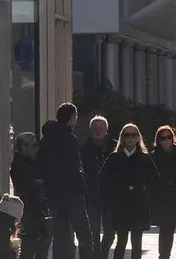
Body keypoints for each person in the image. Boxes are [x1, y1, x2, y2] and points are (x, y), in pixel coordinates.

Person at [38, 102, 94, 259]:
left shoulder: (46, 139)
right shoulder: (70, 139)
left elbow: (42, 165)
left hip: (53, 193)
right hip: (72, 194)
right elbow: (74, 168)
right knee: (84, 235)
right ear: (72, 118)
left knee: (61, 234)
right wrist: (83, 188)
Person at [99, 123, 158, 259]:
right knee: (121, 241)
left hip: (138, 204)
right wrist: (112, 196)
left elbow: (154, 179)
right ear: (122, 138)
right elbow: (102, 178)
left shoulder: (144, 157)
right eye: (127, 135)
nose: (130, 138)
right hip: (121, 204)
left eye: (133, 135)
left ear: (138, 138)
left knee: (137, 242)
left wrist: (145, 193)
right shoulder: (114, 157)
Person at [10, 132, 52, 259]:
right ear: (24, 147)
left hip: (38, 208)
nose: (37, 148)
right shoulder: (19, 164)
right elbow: (30, 184)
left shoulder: (35, 162)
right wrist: (39, 182)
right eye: (34, 145)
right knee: (29, 244)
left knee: (42, 243)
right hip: (28, 209)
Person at [80, 115, 117, 259]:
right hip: (92, 196)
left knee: (110, 232)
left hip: (110, 195)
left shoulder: (114, 148)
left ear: (106, 130)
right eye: (95, 128)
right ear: (90, 131)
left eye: (101, 128)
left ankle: (102, 255)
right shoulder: (83, 149)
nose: (98, 131)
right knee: (93, 231)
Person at [150, 125, 176, 259]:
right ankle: (163, 256)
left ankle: (166, 255)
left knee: (169, 229)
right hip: (160, 196)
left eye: (169, 137)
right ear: (158, 140)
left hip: (175, 196)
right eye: (163, 138)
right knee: (164, 228)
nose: (167, 140)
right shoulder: (153, 156)